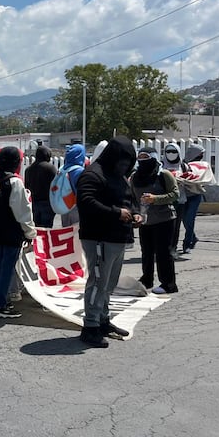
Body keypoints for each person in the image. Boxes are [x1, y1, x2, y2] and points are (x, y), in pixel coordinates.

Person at [76, 136, 138, 348]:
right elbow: (86, 202)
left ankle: (103, 320)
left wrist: (135, 214)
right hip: (99, 238)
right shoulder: (93, 174)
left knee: (109, 284)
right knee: (98, 283)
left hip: (117, 238)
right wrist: (116, 213)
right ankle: (90, 327)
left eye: (128, 162)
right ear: (112, 156)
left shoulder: (119, 176)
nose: (125, 166)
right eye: (122, 161)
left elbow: (130, 200)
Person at [0, 147, 37, 319]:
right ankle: (0, 305)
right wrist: (30, 233)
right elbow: (22, 212)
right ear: (16, 162)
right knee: (7, 267)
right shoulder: (14, 181)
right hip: (11, 232)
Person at [130, 147, 178, 295]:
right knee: (146, 252)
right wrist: (135, 214)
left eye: (146, 157)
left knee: (163, 252)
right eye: (140, 158)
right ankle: (147, 279)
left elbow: (175, 194)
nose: (143, 161)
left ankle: (168, 284)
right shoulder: (135, 177)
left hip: (164, 219)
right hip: (145, 220)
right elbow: (132, 199)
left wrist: (155, 199)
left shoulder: (164, 174)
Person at [180, 144, 212, 254]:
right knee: (185, 220)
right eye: (200, 154)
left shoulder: (203, 165)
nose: (202, 156)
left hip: (195, 195)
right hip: (184, 196)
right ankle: (193, 237)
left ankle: (187, 242)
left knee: (190, 219)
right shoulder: (182, 165)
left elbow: (205, 176)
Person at [159, 142, 187, 259]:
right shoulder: (160, 165)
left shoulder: (184, 166)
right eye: (168, 152)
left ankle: (173, 249)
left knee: (175, 227)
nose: (171, 154)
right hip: (164, 200)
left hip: (179, 201)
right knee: (163, 227)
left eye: (174, 152)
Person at [24, 145, 57, 228]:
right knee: (46, 230)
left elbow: (26, 187)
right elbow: (55, 186)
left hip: (33, 203)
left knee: (36, 229)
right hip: (47, 203)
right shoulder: (50, 168)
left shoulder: (28, 169)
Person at [59, 144, 87, 227]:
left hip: (64, 206)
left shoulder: (62, 169)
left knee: (66, 233)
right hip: (76, 207)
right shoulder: (79, 171)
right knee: (76, 235)